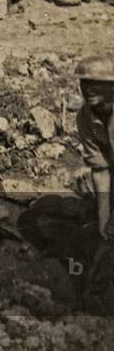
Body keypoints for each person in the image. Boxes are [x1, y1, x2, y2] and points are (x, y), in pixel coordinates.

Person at [73, 54, 114, 240]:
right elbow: (100, 169)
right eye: (84, 83)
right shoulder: (85, 118)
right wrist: (104, 219)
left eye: (96, 83)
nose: (88, 89)